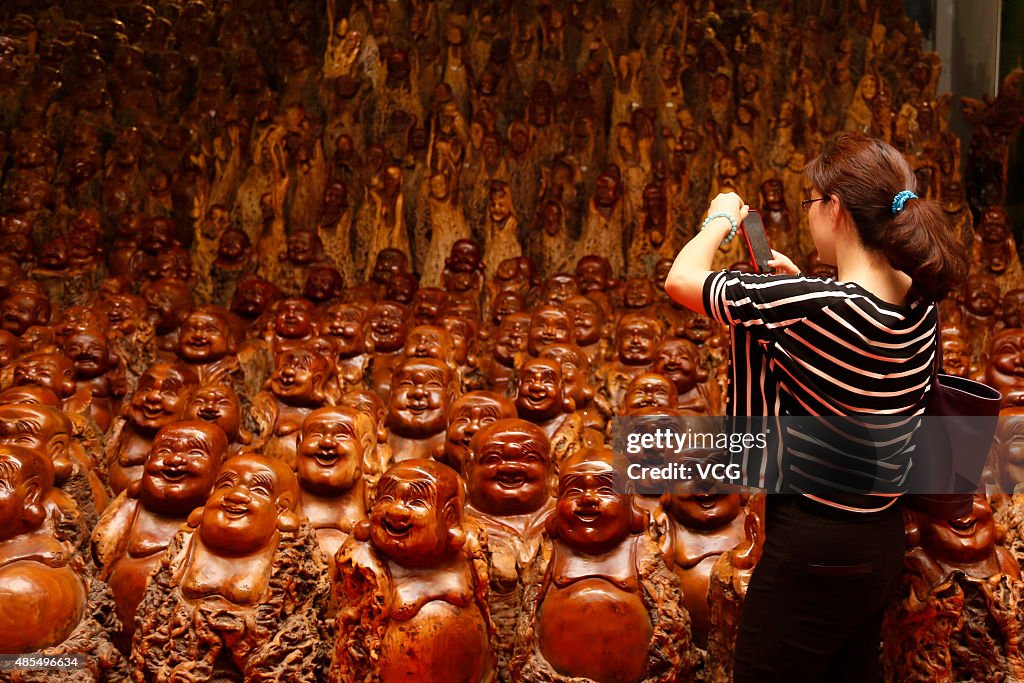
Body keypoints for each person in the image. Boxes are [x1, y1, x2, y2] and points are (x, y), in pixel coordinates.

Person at [663, 132, 967, 682]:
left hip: (812, 541)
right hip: (879, 537)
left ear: (834, 209)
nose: (809, 216)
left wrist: (720, 218)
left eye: (811, 203)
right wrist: (794, 292)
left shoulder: (811, 305)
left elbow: (681, 279)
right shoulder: (920, 299)